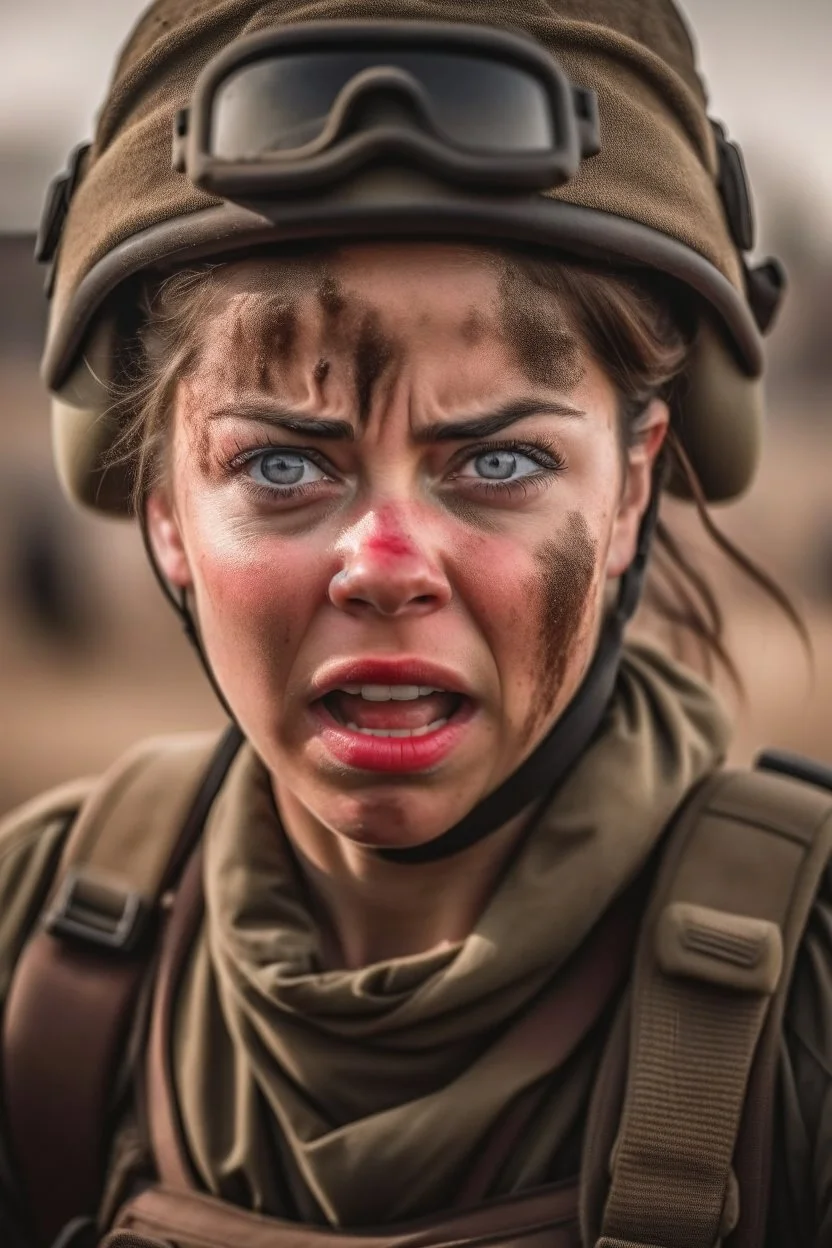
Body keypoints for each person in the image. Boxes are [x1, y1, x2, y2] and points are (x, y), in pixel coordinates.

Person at [2, 2, 831, 1246]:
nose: (385, 568)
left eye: (495, 461)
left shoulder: (813, 1004)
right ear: (164, 510)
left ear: (632, 490)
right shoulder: (29, 943)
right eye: (282, 467)